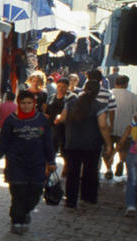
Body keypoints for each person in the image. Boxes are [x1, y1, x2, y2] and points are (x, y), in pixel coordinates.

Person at [0, 91, 56, 234]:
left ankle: (25, 212)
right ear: (18, 104)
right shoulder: (11, 120)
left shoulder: (41, 120)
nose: (26, 106)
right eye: (23, 103)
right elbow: (2, 142)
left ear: (34, 104)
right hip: (16, 164)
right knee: (18, 193)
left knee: (35, 193)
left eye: (29, 103)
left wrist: (51, 161)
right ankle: (17, 222)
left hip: (37, 164)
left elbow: (48, 142)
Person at [59, 80, 114, 208]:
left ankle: (71, 200)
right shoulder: (99, 106)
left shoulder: (70, 103)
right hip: (92, 144)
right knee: (90, 171)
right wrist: (108, 144)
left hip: (72, 143)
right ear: (97, 92)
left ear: (84, 89)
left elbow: (62, 118)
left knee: (73, 172)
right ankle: (88, 197)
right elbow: (103, 125)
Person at [86, 69, 117, 178]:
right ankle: (107, 169)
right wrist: (111, 124)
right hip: (102, 125)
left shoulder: (82, 93)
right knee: (104, 148)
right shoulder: (108, 93)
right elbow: (112, 111)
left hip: (86, 126)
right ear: (101, 79)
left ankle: (88, 171)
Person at [111, 75, 137, 177]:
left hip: (110, 127)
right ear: (126, 84)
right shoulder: (133, 97)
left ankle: (108, 169)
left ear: (115, 83)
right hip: (125, 128)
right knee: (123, 149)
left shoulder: (110, 94)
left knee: (108, 148)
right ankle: (121, 162)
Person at [116, 106, 137, 214]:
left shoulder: (132, 126)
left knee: (132, 181)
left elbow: (122, 141)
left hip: (133, 156)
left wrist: (112, 154)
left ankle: (131, 205)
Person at [46, 77, 72, 157]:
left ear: (67, 87)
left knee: (65, 152)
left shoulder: (70, 98)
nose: (61, 88)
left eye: (63, 86)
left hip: (64, 128)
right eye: (59, 86)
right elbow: (47, 111)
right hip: (51, 127)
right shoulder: (51, 97)